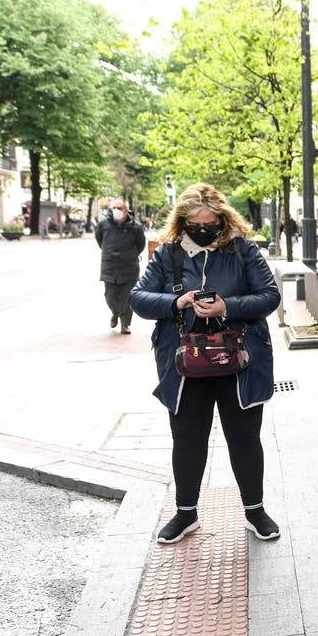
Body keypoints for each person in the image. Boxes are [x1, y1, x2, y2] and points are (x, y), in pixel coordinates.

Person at [129, 183, 282, 544]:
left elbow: (269, 295)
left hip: (239, 362)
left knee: (244, 439)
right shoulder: (168, 254)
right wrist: (177, 302)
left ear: (222, 218)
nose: (202, 228)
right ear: (182, 222)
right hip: (185, 366)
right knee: (187, 440)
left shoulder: (243, 251)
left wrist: (226, 306)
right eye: (194, 223)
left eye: (209, 221)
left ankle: (255, 511)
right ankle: (185, 515)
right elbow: (138, 297)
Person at [95, 198, 146, 335]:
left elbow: (141, 245)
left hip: (129, 267)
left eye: (119, 208)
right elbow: (100, 240)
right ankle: (115, 313)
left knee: (127, 297)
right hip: (109, 266)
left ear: (126, 210)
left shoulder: (135, 226)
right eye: (113, 208)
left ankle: (125, 324)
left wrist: (130, 254)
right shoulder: (103, 224)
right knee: (110, 296)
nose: (116, 211)